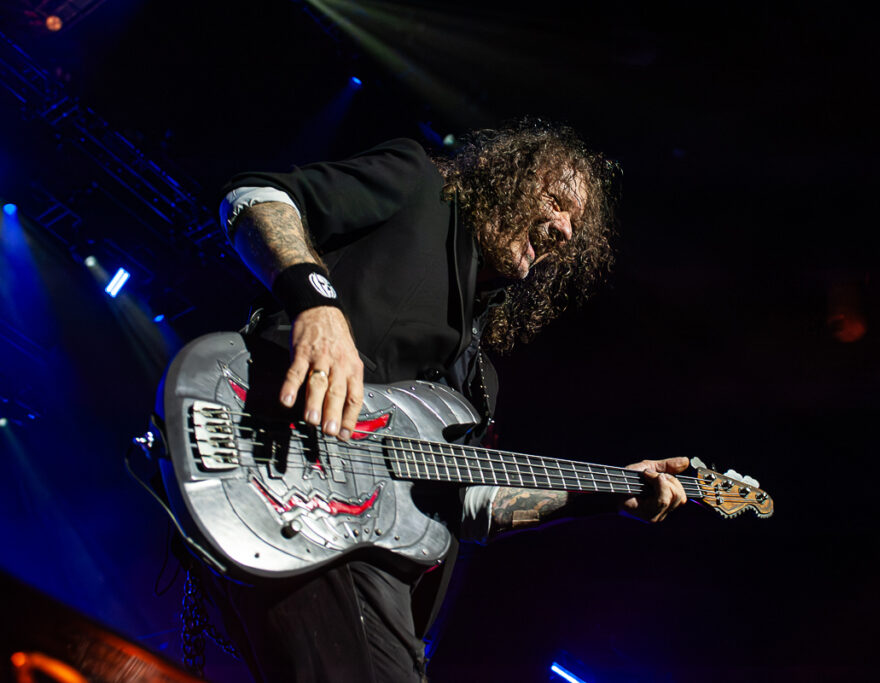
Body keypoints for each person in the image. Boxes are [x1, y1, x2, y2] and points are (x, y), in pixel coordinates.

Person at [212, 118, 689, 682]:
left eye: (574, 225)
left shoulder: (479, 374)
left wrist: (612, 491)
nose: (563, 227)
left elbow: (470, 507)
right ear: (511, 177)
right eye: (557, 201)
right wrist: (318, 309)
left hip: (372, 559)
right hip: (274, 457)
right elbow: (255, 197)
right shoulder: (420, 186)